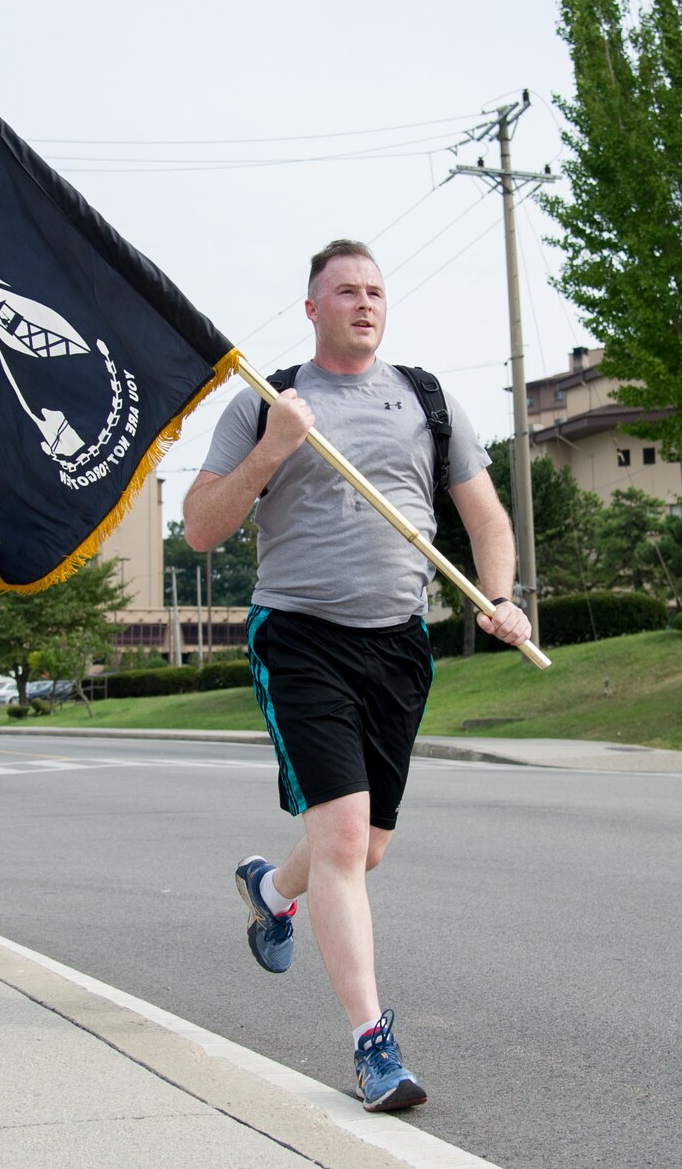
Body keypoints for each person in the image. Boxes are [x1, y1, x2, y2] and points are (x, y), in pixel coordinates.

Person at [185, 239, 531, 1113]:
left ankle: (270, 890)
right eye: (346, 290)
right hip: (300, 636)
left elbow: (485, 516)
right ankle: (374, 1047)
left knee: (366, 848)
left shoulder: (429, 399)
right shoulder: (267, 401)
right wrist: (272, 451)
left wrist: (500, 596)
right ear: (312, 308)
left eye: (376, 290)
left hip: (398, 643)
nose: (365, 302)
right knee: (341, 841)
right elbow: (198, 527)